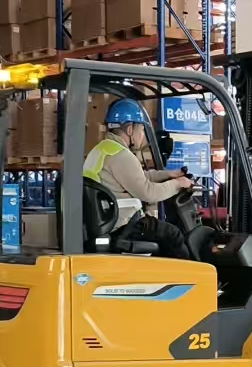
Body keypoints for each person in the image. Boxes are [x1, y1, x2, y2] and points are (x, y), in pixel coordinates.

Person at [83, 99, 194, 259]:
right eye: (141, 130)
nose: (142, 136)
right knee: (173, 234)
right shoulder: (122, 156)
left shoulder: (103, 150)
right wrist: (178, 184)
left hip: (107, 222)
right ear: (130, 130)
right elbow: (148, 193)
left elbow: (137, 177)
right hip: (123, 226)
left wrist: (168, 175)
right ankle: (186, 274)